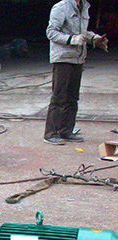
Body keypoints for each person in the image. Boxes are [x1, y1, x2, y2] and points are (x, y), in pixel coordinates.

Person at [44, 0, 109, 145]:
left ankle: (66, 131)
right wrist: (71, 39)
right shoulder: (61, 7)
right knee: (59, 97)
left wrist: (94, 39)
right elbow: (51, 32)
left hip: (78, 58)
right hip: (63, 58)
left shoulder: (84, 6)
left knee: (73, 98)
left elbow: (82, 32)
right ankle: (50, 134)